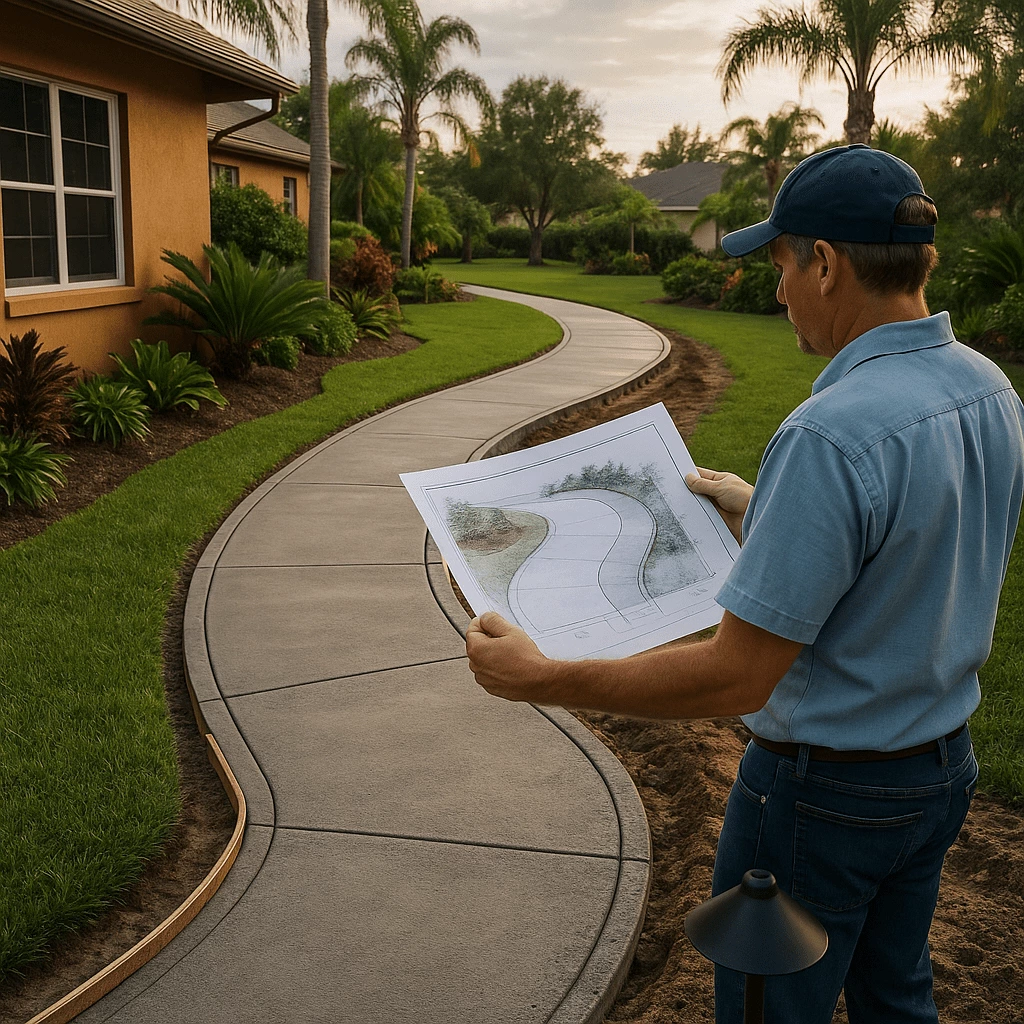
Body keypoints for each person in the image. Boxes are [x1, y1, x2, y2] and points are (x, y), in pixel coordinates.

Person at [464, 144, 1024, 1023]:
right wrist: (765, 509)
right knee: (897, 995)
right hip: (938, 773)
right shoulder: (989, 390)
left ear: (828, 264)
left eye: (780, 264)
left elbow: (738, 675)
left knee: (771, 1013)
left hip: (819, 802)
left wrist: (548, 677)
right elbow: (918, 541)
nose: (778, 291)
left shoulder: (830, 434)